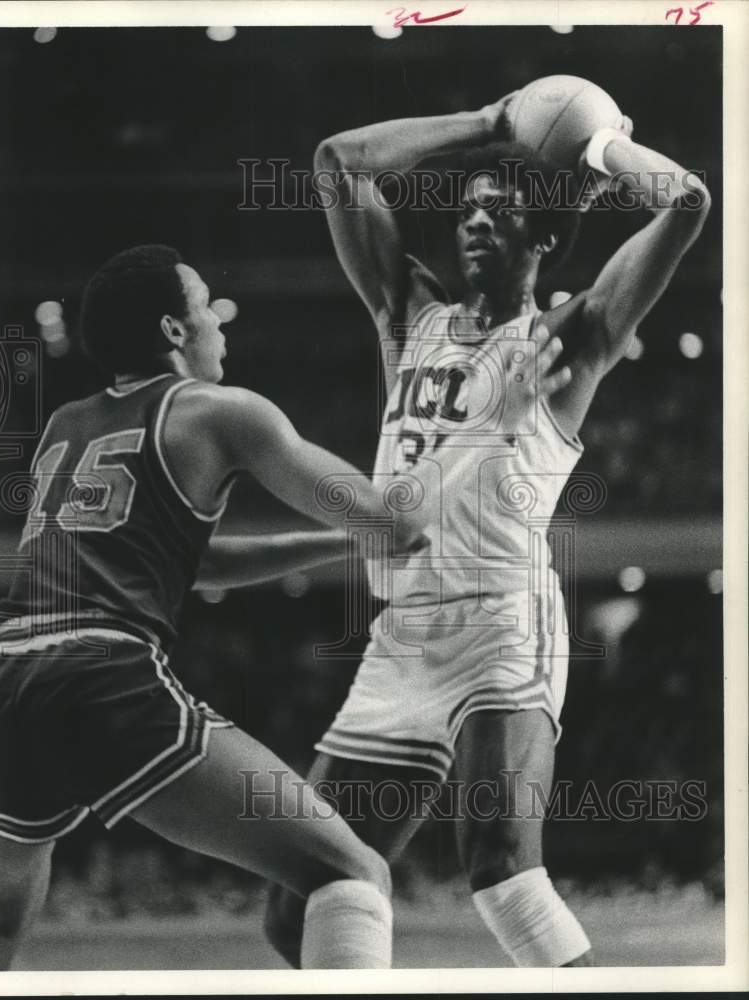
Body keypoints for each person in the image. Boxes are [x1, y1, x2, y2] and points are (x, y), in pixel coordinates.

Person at [265, 92, 711, 967]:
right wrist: (491, 120)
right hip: (401, 633)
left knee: (503, 873)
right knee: (302, 903)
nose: (473, 219)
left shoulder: (572, 334)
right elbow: (336, 161)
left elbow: (686, 203)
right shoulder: (408, 315)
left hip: (502, 622)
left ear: (542, 236)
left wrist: (600, 147)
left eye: (499, 209)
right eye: (465, 207)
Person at [0, 243, 443, 971]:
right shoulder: (221, 411)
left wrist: (332, 548)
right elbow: (389, 520)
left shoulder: (66, 424)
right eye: (206, 306)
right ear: (174, 330)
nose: (220, 325)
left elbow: (197, 566)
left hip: (1, 676)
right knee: (351, 873)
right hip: (101, 672)